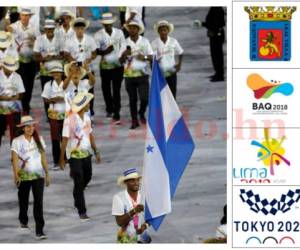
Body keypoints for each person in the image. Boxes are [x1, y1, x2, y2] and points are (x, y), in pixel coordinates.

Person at [59, 92, 101, 220]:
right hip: (74, 155)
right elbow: (65, 139)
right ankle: (82, 211)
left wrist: (96, 151)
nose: (89, 105)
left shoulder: (87, 118)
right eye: (87, 103)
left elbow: (90, 135)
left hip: (86, 153)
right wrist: (62, 158)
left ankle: (77, 196)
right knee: (79, 180)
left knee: (87, 177)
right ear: (83, 105)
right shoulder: (70, 119)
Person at [11, 115, 50, 240]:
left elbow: (43, 158)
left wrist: (47, 174)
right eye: (28, 126)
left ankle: (39, 230)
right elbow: (15, 160)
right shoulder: (16, 141)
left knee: (38, 202)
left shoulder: (39, 139)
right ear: (23, 128)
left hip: (39, 176)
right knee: (24, 201)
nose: (30, 128)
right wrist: (16, 175)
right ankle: (23, 220)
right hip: (24, 177)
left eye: (32, 126)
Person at [119, 21, 153, 129]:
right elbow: (120, 61)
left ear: (138, 30)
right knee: (132, 99)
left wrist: (144, 57)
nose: (132, 30)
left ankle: (141, 112)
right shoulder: (124, 43)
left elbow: (151, 57)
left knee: (144, 98)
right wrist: (124, 55)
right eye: (130, 28)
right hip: (129, 76)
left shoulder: (145, 41)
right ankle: (134, 120)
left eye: (134, 28)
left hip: (143, 74)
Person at [7, 7, 40, 114]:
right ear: (20, 15)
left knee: (29, 85)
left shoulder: (34, 28)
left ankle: (26, 105)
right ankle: (21, 106)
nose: (25, 17)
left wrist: (35, 42)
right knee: (21, 84)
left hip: (31, 61)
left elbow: (40, 43)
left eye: (27, 15)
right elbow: (6, 42)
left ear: (30, 16)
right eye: (23, 15)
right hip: (18, 62)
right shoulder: (13, 27)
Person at [94, 13, 125, 124]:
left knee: (116, 90)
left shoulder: (119, 33)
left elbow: (124, 46)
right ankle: (109, 109)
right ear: (103, 24)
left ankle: (117, 112)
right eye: (105, 24)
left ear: (112, 23)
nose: (107, 26)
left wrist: (121, 57)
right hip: (105, 66)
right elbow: (96, 50)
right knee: (106, 89)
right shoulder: (98, 35)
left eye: (109, 24)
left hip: (118, 66)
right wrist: (105, 51)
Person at [64, 17, 97, 118]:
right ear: (74, 29)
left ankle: (89, 112)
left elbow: (94, 53)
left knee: (89, 91)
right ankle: (74, 113)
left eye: (81, 28)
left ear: (84, 29)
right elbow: (66, 54)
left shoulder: (90, 39)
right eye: (77, 28)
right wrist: (74, 62)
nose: (79, 30)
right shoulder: (69, 41)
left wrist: (90, 59)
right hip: (75, 70)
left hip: (87, 69)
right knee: (74, 91)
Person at [34, 19, 64, 117]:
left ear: (54, 29)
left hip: (59, 70)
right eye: (48, 29)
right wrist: (44, 58)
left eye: (51, 29)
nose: (50, 31)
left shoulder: (60, 39)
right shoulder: (39, 40)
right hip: (45, 71)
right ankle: (49, 114)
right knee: (47, 91)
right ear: (45, 29)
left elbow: (64, 54)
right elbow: (36, 56)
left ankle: (61, 111)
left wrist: (55, 57)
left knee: (59, 90)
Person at [112, 168, 151, 243]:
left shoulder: (144, 196)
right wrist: (134, 211)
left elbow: (151, 217)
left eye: (137, 180)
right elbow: (119, 222)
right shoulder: (118, 198)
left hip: (143, 236)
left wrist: (144, 226)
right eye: (132, 180)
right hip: (126, 238)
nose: (136, 183)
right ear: (126, 182)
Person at [41, 62, 65, 170]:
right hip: (53, 114)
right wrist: (54, 99)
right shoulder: (48, 84)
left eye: (57, 72)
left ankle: (65, 158)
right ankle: (56, 161)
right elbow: (45, 99)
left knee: (65, 137)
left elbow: (72, 97)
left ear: (61, 73)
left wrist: (63, 99)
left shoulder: (66, 83)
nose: (55, 74)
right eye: (53, 72)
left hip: (66, 114)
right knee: (55, 138)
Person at [151, 20, 183, 99]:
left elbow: (181, 52)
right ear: (158, 31)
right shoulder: (154, 43)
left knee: (172, 92)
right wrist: (153, 68)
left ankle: (172, 110)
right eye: (161, 30)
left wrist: (179, 64)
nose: (163, 32)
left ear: (168, 31)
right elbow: (150, 57)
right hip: (160, 73)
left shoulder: (173, 41)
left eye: (165, 30)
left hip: (171, 71)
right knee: (162, 93)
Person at [0, 56, 24, 146]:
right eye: (9, 68)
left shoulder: (17, 76)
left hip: (15, 108)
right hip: (1, 108)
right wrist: (4, 98)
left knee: (15, 132)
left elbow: (21, 93)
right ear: (4, 67)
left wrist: (17, 97)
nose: (11, 70)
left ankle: (14, 154)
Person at [201, 7, 225, 82]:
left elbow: (216, 24)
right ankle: (218, 73)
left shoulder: (216, 8)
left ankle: (219, 75)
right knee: (215, 55)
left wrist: (203, 24)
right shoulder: (215, 8)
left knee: (217, 55)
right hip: (215, 34)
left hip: (216, 34)